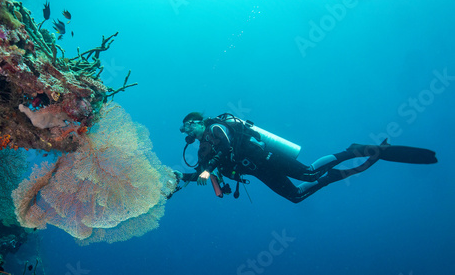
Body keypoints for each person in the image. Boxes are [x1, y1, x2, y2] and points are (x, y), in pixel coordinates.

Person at [173, 112, 438, 203]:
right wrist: (180, 177)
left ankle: (352, 150)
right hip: (257, 171)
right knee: (296, 196)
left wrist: (210, 171)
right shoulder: (201, 150)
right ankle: (332, 176)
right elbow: (200, 172)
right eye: (185, 130)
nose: (187, 131)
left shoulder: (215, 128)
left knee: (309, 173)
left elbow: (228, 146)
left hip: (265, 157)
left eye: (188, 126)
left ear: (197, 121)